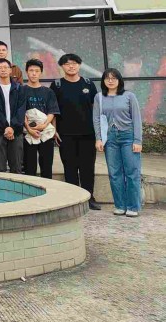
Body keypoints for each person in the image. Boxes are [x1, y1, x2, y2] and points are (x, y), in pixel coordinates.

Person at [51, 53, 101, 210]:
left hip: (87, 134)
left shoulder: (88, 84)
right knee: (70, 168)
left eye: (74, 63)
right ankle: (73, 199)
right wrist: (54, 130)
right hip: (65, 134)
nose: (71, 66)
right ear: (62, 66)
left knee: (87, 167)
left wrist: (98, 133)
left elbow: (96, 109)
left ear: (79, 65)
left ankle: (89, 197)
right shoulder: (57, 85)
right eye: (67, 64)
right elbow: (53, 110)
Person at [93, 69, 143, 217]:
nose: (110, 81)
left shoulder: (129, 96)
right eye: (107, 78)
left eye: (114, 78)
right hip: (110, 138)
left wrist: (137, 140)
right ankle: (120, 205)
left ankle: (133, 206)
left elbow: (137, 119)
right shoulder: (99, 97)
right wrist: (98, 138)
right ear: (103, 81)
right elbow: (96, 119)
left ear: (119, 80)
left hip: (128, 136)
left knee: (132, 172)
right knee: (114, 173)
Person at [0, 58, 27, 174]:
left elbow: (21, 110)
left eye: (6, 67)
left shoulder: (19, 88)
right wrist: (5, 127)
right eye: (0, 68)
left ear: (10, 70)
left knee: (17, 167)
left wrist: (12, 127)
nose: (3, 70)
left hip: (16, 131)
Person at [23, 59, 60, 179]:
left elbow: (52, 111)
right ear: (26, 72)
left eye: (37, 71)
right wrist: (29, 129)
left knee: (46, 166)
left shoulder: (48, 91)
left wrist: (44, 125)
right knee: (30, 167)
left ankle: (47, 194)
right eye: (31, 70)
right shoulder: (21, 91)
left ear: (41, 73)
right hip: (28, 134)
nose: (34, 73)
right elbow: (20, 111)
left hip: (46, 133)